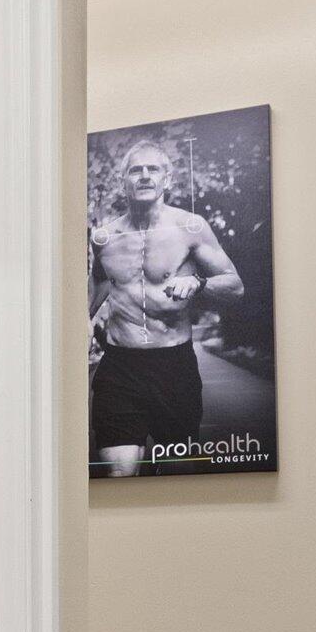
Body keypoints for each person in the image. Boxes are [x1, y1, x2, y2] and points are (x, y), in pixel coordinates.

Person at [89, 139, 243, 475]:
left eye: (152, 169)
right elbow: (100, 282)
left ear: (167, 179)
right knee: (119, 474)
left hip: (173, 369)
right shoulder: (104, 237)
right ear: (123, 181)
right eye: (135, 170)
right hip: (120, 368)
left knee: (174, 473)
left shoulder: (191, 228)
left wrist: (198, 284)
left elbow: (235, 285)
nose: (144, 176)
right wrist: (83, 321)